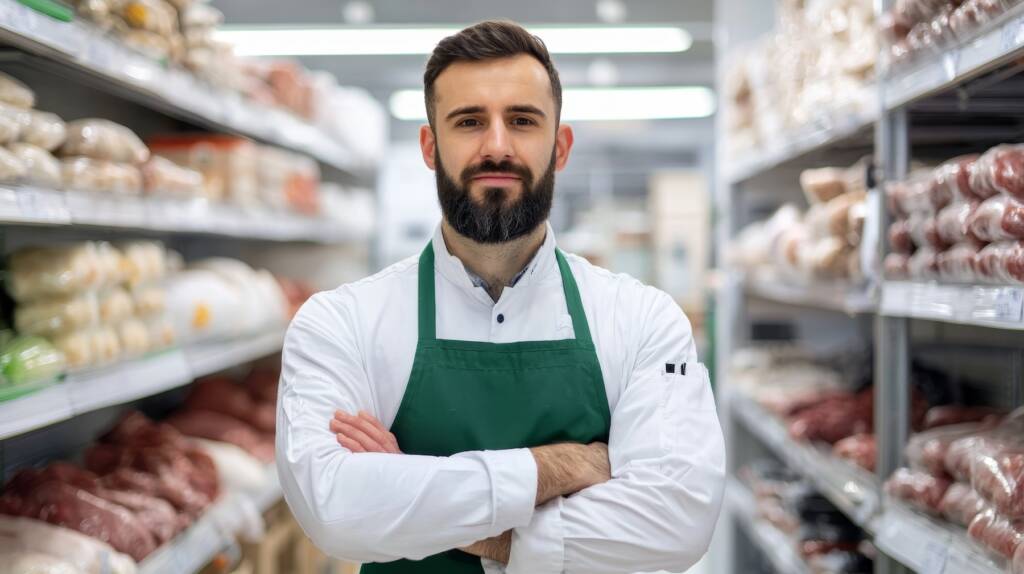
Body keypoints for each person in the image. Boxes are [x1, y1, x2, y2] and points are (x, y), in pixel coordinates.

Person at [276, 20, 725, 574]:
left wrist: (431, 503)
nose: (496, 146)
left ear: (559, 147)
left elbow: (677, 522)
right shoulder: (341, 321)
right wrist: (553, 469)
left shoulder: (641, 319)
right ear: (429, 145)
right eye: (468, 121)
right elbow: (336, 513)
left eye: (522, 120)